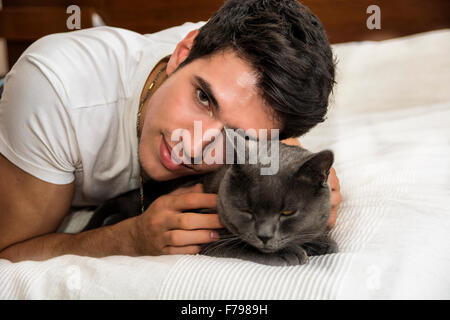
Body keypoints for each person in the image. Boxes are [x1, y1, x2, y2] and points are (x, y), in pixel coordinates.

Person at [0, 0, 341, 262]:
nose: (193, 147)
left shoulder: (251, 85)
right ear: (182, 53)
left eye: (239, 137)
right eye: (203, 98)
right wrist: (128, 240)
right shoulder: (54, 90)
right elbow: (8, 255)